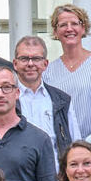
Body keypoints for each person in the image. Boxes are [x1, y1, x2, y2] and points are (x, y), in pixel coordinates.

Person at [42, 3, 91, 139]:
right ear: (55, 31)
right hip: (62, 146)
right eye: (63, 25)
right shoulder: (47, 71)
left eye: (75, 24)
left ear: (83, 28)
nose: (69, 29)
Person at [11, 36, 73, 172]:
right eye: (24, 59)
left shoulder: (61, 100)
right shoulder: (2, 99)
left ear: (45, 64)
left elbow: (75, 145)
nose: (30, 64)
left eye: (36, 59)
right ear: (15, 64)